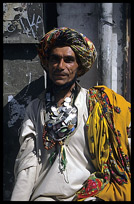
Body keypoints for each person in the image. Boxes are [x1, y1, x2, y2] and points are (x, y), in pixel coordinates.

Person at [11, 27, 131, 201]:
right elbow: (28, 163)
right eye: (55, 59)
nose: (61, 66)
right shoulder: (36, 109)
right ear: (47, 63)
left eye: (68, 60)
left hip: (89, 195)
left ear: (79, 65)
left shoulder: (98, 105)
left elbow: (124, 141)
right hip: (46, 196)